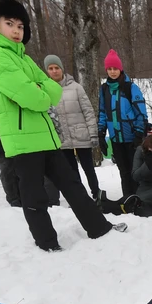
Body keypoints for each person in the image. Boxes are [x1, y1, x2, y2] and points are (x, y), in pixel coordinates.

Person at [0, 0, 124, 251]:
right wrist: (40, 91)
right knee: (34, 196)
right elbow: (36, 96)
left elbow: (53, 90)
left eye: (20, 26)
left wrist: (41, 90)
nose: (16, 31)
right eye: (9, 24)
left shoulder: (22, 57)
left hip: (45, 137)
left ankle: (99, 228)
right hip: (22, 141)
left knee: (73, 186)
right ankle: (48, 244)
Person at [0, 84, 59, 207]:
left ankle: (41, 198)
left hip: (23, 135)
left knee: (31, 168)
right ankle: (15, 200)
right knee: (7, 170)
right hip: (0, 137)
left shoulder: (16, 85)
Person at [44, 55, 104, 200]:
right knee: (71, 171)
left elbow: (88, 111)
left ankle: (97, 194)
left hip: (81, 135)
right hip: (62, 138)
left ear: (62, 69)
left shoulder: (76, 88)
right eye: (50, 69)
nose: (54, 71)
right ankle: (80, 197)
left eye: (56, 68)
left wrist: (93, 134)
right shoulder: (45, 90)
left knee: (88, 168)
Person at [96, 50, 147, 198]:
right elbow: (103, 113)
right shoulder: (104, 89)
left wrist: (139, 133)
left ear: (120, 69)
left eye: (115, 69)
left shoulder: (130, 88)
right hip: (116, 139)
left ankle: (140, 198)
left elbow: (141, 113)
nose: (112, 72)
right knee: (123, 172)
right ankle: (128, 199)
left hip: (132, 138)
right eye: (109, 69)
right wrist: (101, 133)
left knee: (135, 171)